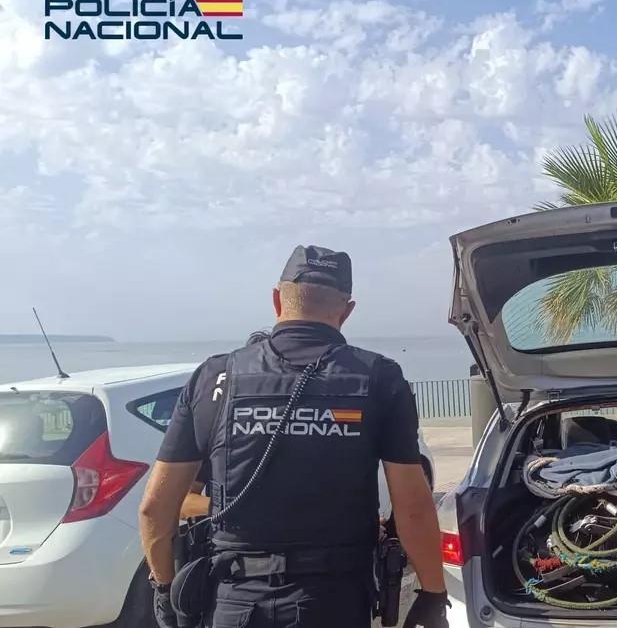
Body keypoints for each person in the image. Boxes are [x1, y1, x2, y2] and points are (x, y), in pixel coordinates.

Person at [138, 245, 449, 628]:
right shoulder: (380, 378)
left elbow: (155, 507)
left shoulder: (214, 377)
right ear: (347, 310)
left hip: (233, 603)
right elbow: (413, 507)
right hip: (334, 602)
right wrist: (433, 594)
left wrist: (166, 591)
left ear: (276, 300)